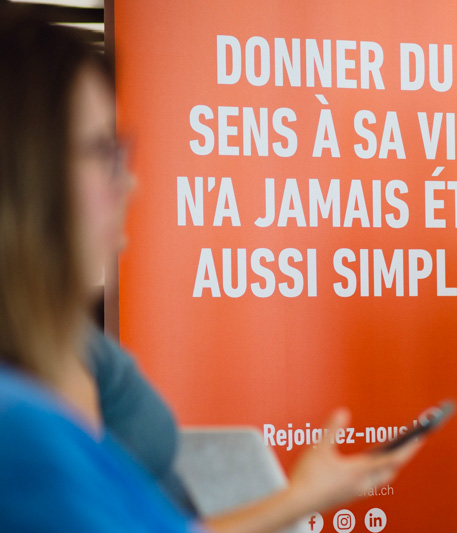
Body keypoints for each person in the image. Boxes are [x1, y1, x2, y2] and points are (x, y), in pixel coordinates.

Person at [0, 9, 420, 532]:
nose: (129, 185)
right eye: (104, 152)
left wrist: (304, 495)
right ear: (26, 174)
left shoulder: (67, 352)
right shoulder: (19, 428)